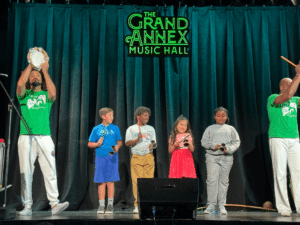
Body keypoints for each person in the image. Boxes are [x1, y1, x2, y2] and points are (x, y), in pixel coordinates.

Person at [16, 61, 69, 216]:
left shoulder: (45, 96)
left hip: (45, 137)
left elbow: (53, 93)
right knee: (26, 172)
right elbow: (20, 84)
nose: (34, 76)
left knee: (50, 170)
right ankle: (27, 207)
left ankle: (54, 204)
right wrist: (31, 65)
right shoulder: (24, 96)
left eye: (36, 74)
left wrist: (44, 70)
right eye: (31, 75)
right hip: (26, 138)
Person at [267, 64, 300, 217]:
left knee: (297, 173)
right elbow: (286, 96)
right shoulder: (273, 98)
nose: (293, 89)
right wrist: (298, 76)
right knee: (280, 172)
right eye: (290, 85)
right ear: (282, 86)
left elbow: (292, 95)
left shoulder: (296, 99)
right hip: (278, 138)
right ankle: (284, 207)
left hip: (294, 139)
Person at [201, 107, 240, 215]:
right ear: (214, 117)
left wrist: (229, 149)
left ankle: (222, 205)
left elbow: (236, 142)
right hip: (212, 157)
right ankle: (211, 205)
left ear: (227, 117)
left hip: (226, 158)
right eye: (218, 115)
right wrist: (213, 146)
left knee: (223, 181)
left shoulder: (231, 129)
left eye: (223, 115)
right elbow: (203, 142)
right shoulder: (210, 128)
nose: (221, 117)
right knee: (212, 180)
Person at [88, 108, 122, 214]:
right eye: (110, 115)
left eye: (113, 115)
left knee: (110, 181)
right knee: (101, 181)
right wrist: (97, 144)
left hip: (112, 157)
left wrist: (117, 147)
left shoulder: (115, 128)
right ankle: (102, 205)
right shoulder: (96, 129)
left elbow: (119, 142)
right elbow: (89, 144)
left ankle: (110, 205)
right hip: (100, 157)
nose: (112, 117)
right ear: (103, 116)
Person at [125, 106, 156, 214]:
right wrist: (137, 139)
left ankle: (147, 204)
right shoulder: (131, 129)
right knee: (137, 182)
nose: (147, 117)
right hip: (137, 157)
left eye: (148, 115)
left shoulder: (151, 129)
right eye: (145, 115)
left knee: (149, 182)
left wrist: (153, 146)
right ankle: (137, 205)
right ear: (138, 116)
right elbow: (127, 143)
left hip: (148, 157)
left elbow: (154, 143)